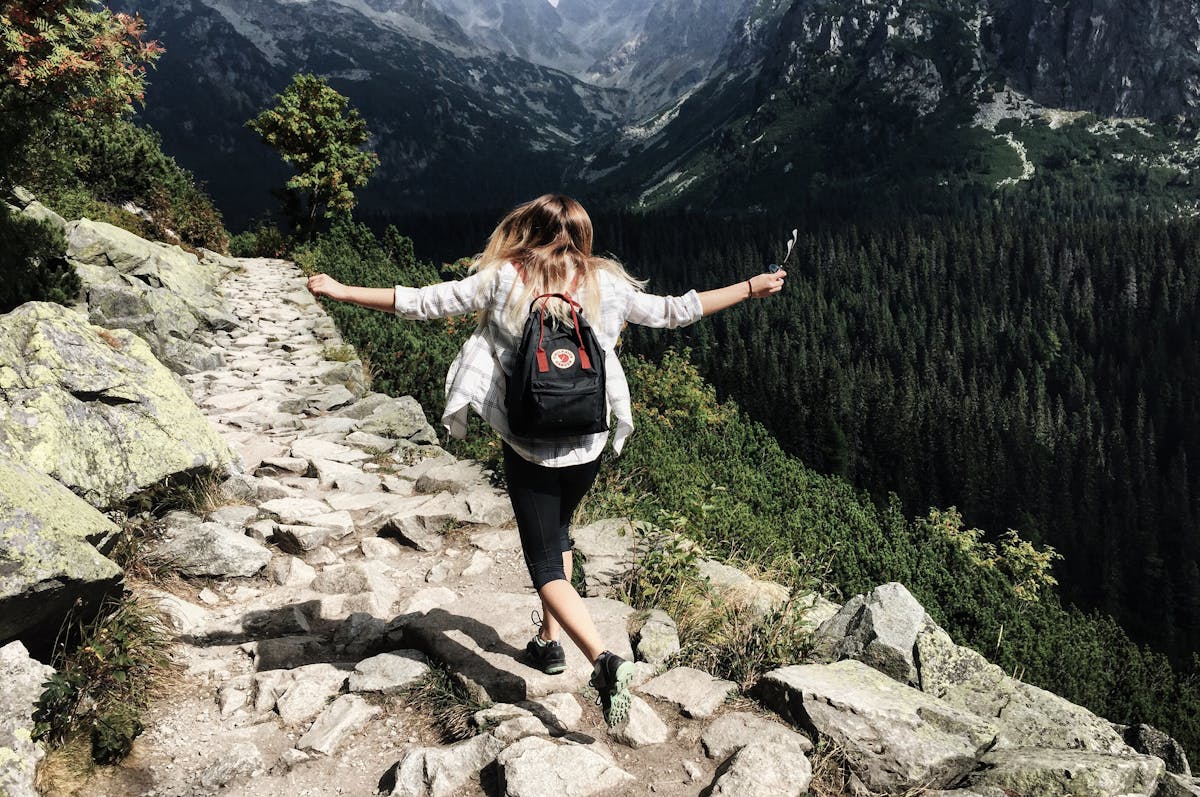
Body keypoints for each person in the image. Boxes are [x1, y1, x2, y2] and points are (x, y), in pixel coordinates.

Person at [306, 194, 786, 726]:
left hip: (529, 444)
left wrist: (342, 290)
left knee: (543, 559)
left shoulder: (502, 278)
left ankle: (603, 661)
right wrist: (750, 286)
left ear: (527, 231)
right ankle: (547, 642)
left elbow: (423, 301)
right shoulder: (607, 282)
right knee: (560, 533)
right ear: (583, 236)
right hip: (588, 441)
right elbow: (677, 311)